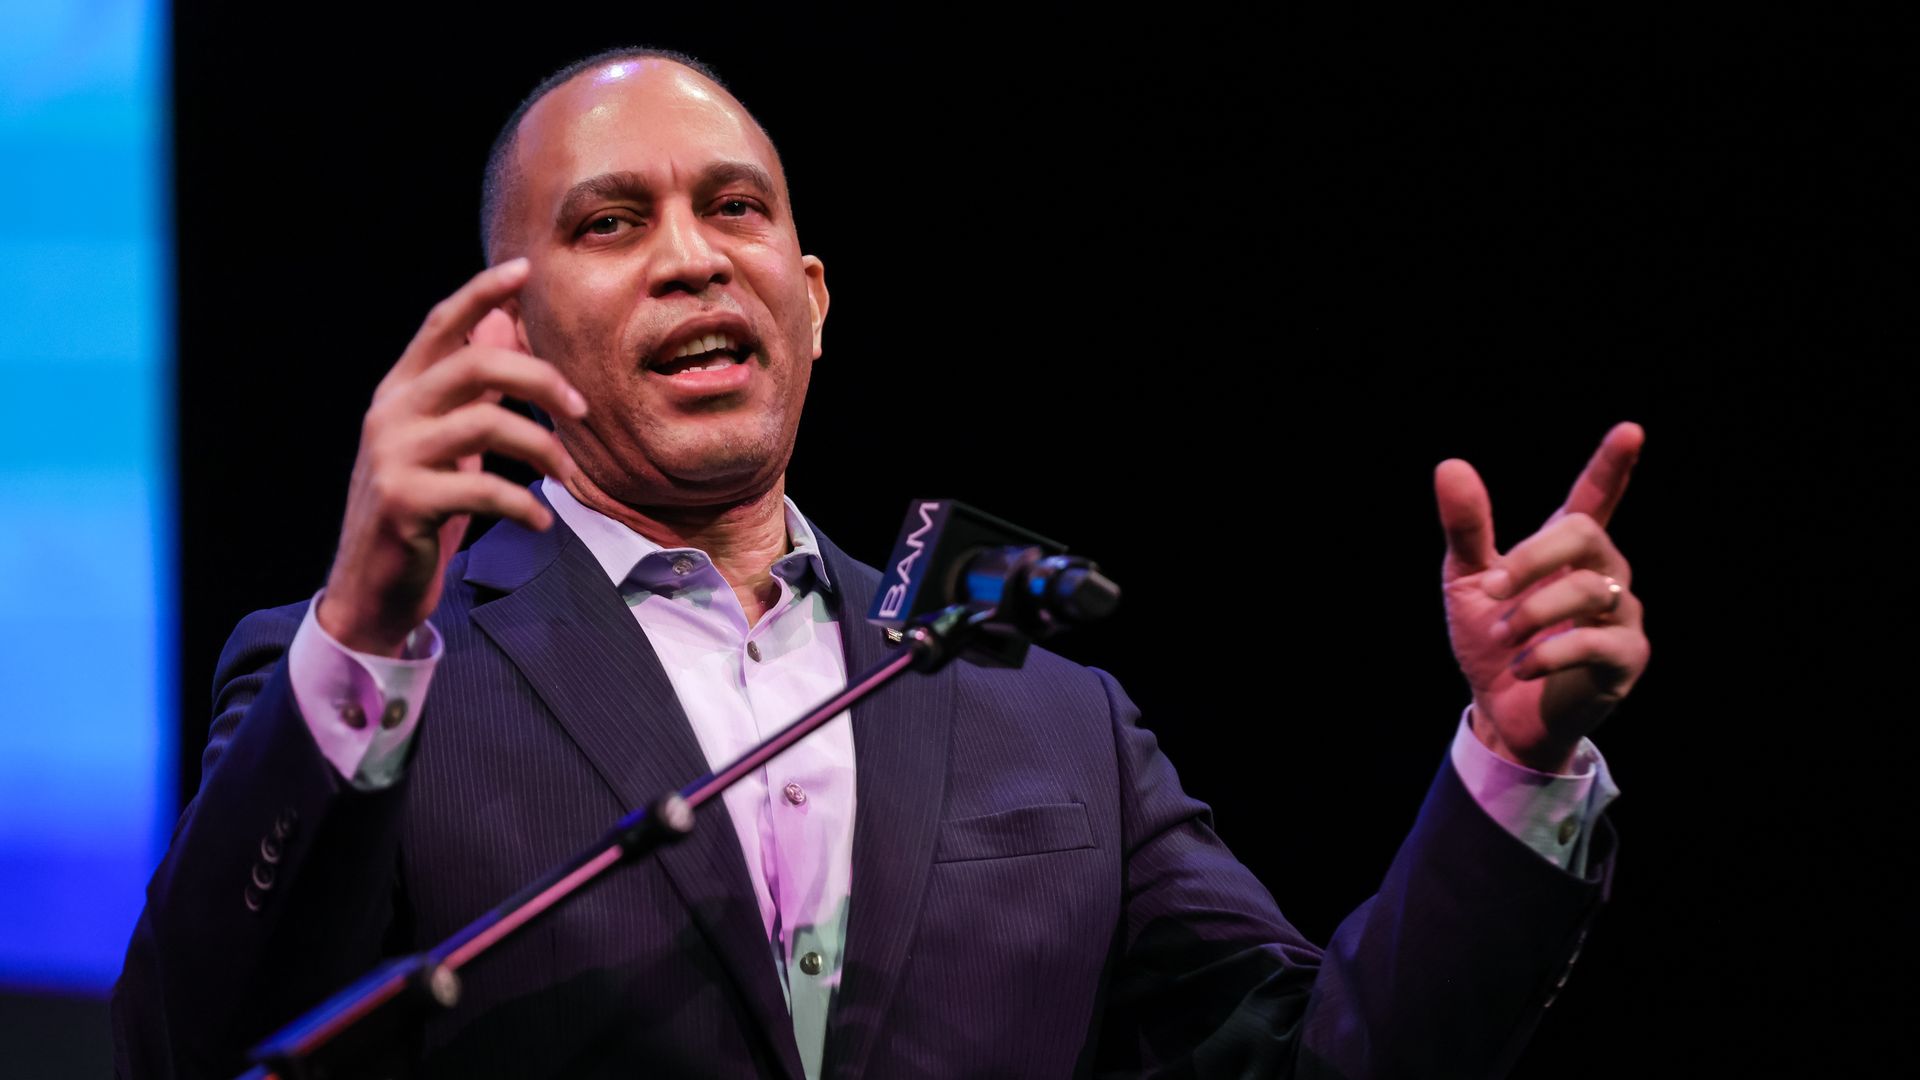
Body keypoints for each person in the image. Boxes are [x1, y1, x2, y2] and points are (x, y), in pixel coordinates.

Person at [113, 47, 1650, 1079]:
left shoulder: (1050, 718)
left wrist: (1515, 766)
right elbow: (194, 1049)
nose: (694, 254)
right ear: (507, 331)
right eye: (610, 221)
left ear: (813, 296)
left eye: (736, 209)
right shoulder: (379, 676)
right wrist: (370, 623)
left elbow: (1334, 1054)